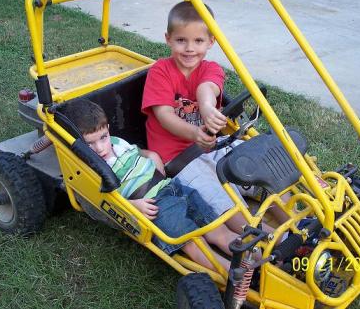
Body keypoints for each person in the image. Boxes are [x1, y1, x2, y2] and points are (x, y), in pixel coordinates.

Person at [142, 1, 289, 234]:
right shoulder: (160, 71)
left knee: (263, 165)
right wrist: (194, 133)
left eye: (198, 41)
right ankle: (272, 240)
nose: (190, 48)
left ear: (211, 41)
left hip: (214, 145)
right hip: (178, 160)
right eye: (181, 40)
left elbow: (206, 89)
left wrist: (208, 108)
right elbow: (164, 115)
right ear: (168, 39)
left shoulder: (212, 69)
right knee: (221, 201)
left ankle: (297, 223)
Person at [61, 98, 239, 271]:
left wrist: (152, 156)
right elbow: (100, 202)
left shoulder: (116, 142)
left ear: (108, 129)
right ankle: (231, 273)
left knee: (216, 228)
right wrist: (132, 207)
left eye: (103, 137)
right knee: (192, 242)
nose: (100, 148)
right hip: (153, 205)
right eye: (89, 144)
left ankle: (255, 256)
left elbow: (139, 153)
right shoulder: (91, 167)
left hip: (173, 187)